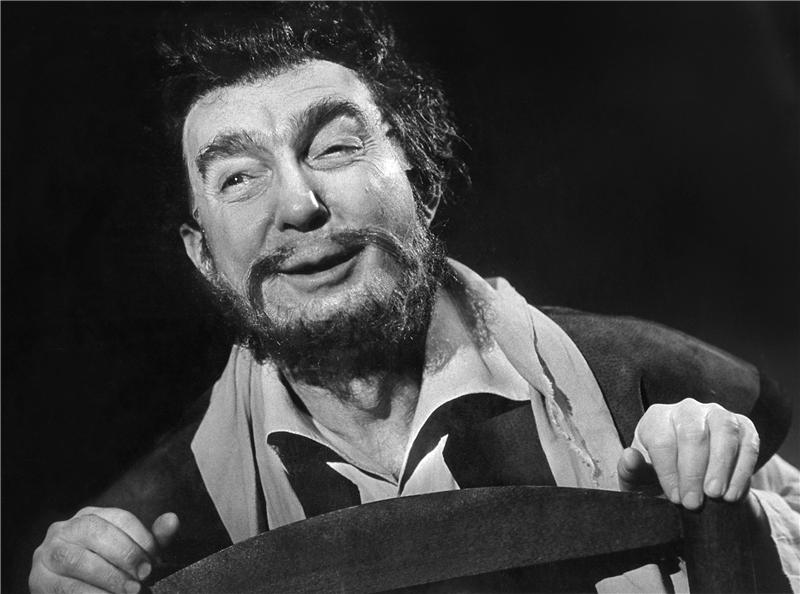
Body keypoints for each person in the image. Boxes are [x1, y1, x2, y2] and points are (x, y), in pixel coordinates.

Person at [28, 4, 800, 593]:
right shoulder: (170, 522)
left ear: (421, 187)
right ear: (204, 256)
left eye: (334, 147)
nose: (298, 205)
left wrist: (721, 491)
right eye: (238, 178)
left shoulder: (639, 385)